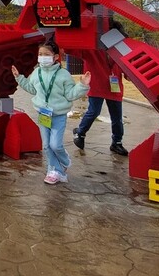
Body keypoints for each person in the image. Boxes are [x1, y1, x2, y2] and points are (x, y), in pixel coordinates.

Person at [12, 40, 90, 185]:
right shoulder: (36, 73)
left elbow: (71, 94)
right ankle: (54, 171)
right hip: (43, 114)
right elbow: (31, 89)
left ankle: (64, 161)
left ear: (55, 57)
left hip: (58, 115)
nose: (42, 57)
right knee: (46, 145)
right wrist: (19, 78)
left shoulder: (63, 75)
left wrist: (82, 85)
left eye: (46, 54)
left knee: (55, 145)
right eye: (40, 54)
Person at [73, 25, 129, 156]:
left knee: (117, 117)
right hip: (97, 85)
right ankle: (80, 133)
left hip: (114, 88)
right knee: (94, 111)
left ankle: (117, 142)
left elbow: (127, 67)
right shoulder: (92, 48)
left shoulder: (119, 50)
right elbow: (73, 49)